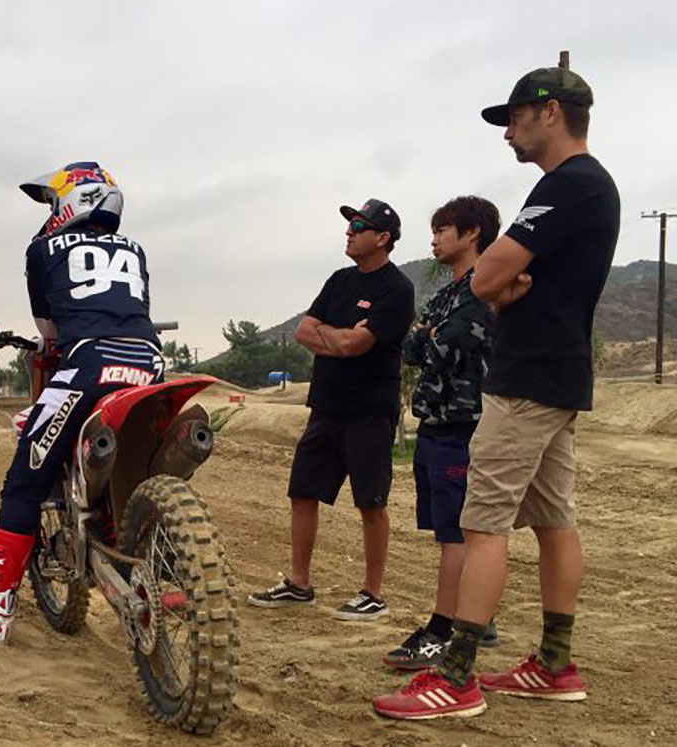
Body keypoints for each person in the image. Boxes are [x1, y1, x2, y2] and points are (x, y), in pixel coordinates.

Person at [374, 65, 619, 720]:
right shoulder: (590, 186)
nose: (507, 132)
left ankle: (456, 677)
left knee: (482, 524)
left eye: (513, 118)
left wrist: (499, 284)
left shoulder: (566, 185)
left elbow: (486, 277)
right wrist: (504, 283)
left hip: (525, 381)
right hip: (559, 376)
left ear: (549, 111)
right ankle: (555, 664)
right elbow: (500, 277)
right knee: (554, 520)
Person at [0, 162, 164, 644]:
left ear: (72, 201)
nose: (50, 212)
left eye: (52, 201)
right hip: (149, 365)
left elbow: (49, 331)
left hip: (87, 366)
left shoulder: (43, 248)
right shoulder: (135, 249)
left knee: (23, 483)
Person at [248, 199, 415, 621]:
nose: (348, 232)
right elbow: (304, 331)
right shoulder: (339, 280)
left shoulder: (397, 289)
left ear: (383, 238)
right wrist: (337, 338)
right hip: (326, 406)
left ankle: (373, 593)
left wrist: (333, 337)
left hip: (370, 411)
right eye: (349, 225)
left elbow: (356, 345)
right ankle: (299, 584)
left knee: (370, 503)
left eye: (358, 226)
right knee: (302, 494)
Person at [384, 196, 501, 671]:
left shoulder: (480, 290)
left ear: (472, 233)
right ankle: (478, 617)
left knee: (458, 533)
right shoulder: (449, 294)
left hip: (463, 426)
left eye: (442, 229)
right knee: (449, 530)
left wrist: (429, 336)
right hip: (436, 425)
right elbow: (412, 348)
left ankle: (443, 630)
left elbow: (444, 350)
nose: (433, 239)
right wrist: (427, 336)